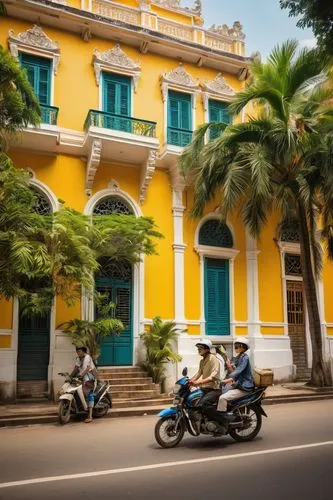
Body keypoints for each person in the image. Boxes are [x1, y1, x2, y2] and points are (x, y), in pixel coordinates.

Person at [217, 337, 254, 418]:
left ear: (242, 347)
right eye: (235, 345)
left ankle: (223, 419)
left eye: (237, 346)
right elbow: (232, 366)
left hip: (244, 386)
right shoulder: (239, 356)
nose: (235, 347)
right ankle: (230, 411)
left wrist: (227, 379)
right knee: (222, 391)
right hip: (239, 384)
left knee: (222, 398)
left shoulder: (245, 358)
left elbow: (238, 371)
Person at [189, 339, 221, 409]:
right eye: (198, 348)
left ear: (207, 349)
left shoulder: (213, 358)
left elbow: (213, 377)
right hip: (205, 388)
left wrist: (197, 382)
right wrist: (189, 381)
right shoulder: (202, 361)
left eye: (201, 348)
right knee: (192, 401)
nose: (199, 350)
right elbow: (199, 373)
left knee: (202, 404)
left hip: (214, 389)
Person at [70, 346, 97, 423]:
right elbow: (76, 368)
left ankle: (90, 416)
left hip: (90, 377)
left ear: (84, 352)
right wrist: (70, 376)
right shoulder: (78, 358)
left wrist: (81, 375)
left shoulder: (87, 357)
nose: (78, 353)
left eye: (79, 351)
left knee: (89, 395)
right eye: (77, 352)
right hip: (82, 378)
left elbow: (88, 368)